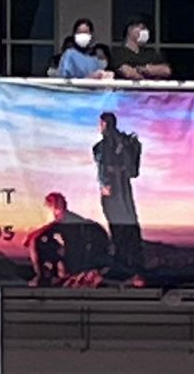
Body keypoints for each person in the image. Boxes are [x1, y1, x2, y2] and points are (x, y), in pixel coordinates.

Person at [94, 111, 146, 281]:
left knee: (117, 222)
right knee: (127, 221)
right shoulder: (124, 141)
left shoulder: (106, 144)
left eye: (101, 123)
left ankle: (123, 262)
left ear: (105, 124)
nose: (99, 127)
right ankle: (130, 260)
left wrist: (105, 183)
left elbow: (103, 164)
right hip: (123, 187)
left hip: (114, 187)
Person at [29, 192, 111, 285]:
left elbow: (43, 233)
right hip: (82, 261)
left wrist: (33, 237)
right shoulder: (68, 222)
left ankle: (41, 276)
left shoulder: (69, 223)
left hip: (83, 262)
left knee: (36, 242)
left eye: (49, 206)